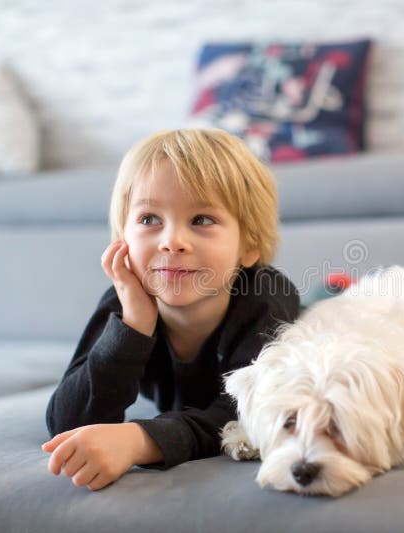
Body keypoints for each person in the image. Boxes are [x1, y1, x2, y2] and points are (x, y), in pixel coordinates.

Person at [42, 128, 300, 491]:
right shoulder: (124, 301)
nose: (171, 242)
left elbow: (244, 417)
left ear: (248, 245)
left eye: (201, 220)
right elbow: (68, 422)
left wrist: (140, 440)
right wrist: (133, 325)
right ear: (123, 238)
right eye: (149, 219)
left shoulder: (266, 299)